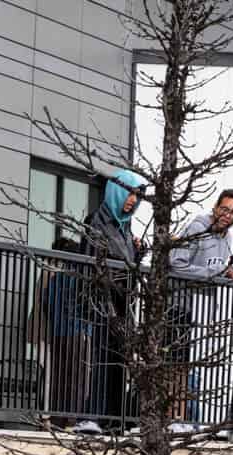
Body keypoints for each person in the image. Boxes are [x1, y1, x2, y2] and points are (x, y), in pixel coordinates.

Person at [168, 187, 233, 434]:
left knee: (195, 366)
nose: (228, 215)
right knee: (177, 365)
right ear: (215, 206)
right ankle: (174, 419)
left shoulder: (228, 239)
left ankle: (189, 418)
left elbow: (218, 269)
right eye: (225, 209)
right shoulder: (197, 228)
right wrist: (216, 273)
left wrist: (227, 271)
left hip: (204, 309)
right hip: (180, 305)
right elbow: (177, 265)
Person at [82, 167, 145, 431]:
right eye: (129, 193)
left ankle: (113, 419)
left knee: (119, 360)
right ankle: (92, 417)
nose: (133, 200)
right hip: (102, 300)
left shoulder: (126, 228)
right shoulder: (97, 220)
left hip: (121, 303)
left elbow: (128, 266)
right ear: (117, 191)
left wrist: (139, 253)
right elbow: (93, 261)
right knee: (101, 359)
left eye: (137, 196)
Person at [28, 233, 92, 426]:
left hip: (56, 332)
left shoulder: (55, 277)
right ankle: (71, 420)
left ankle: (56, 418)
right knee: (76, 379)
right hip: (74, 331)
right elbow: (85, 307)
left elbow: (47, 303)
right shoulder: (76, 278)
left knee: (57, 377)